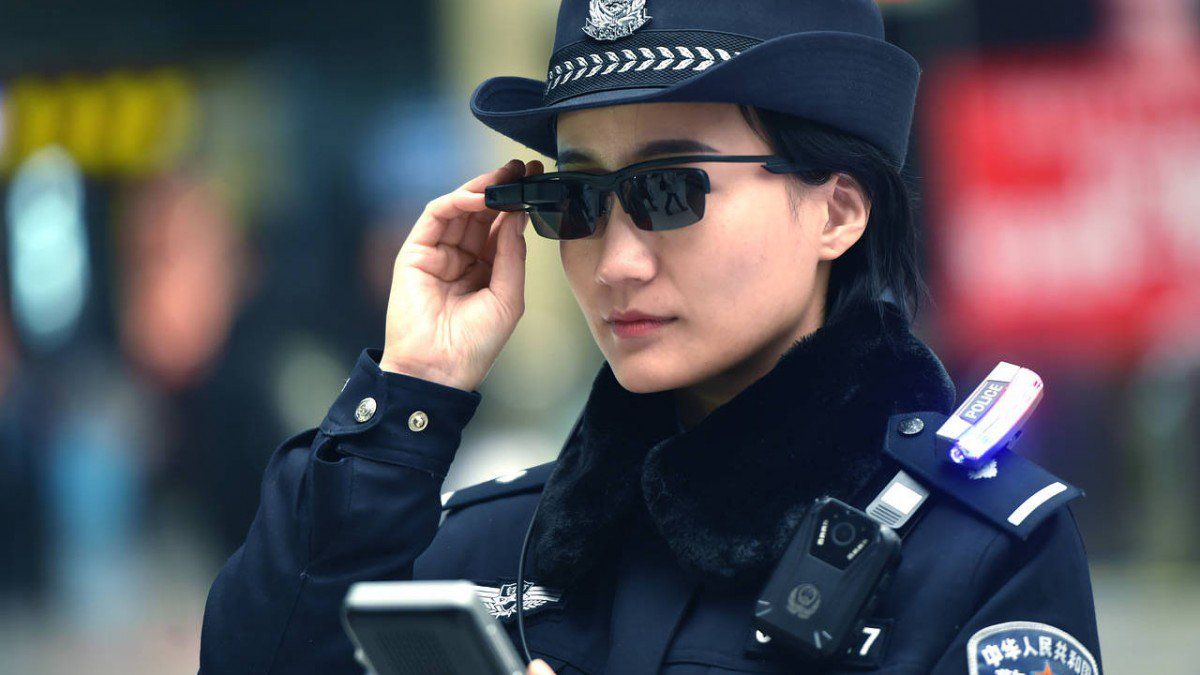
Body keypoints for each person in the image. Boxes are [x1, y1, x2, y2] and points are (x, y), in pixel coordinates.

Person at [199, 1, 1102, 673]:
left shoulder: (973, 552)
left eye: (671, 191)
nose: (617, 261)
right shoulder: (498, 542)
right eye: (577, 199)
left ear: (837, 211)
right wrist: (410, 395)